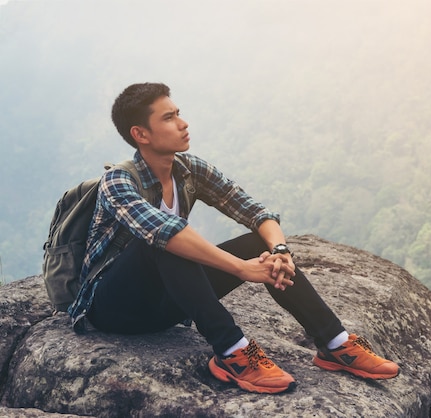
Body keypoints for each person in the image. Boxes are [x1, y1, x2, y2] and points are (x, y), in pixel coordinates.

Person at [68, 82, 399, 394]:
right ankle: (232, 351)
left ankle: (335, 343)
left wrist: (279, 250)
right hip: (113, 309)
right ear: (140, 134)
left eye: (178, 113)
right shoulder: (118, 181)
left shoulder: (189, 168)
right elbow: (166, 233)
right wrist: (242, 269)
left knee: (262, 242)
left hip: (167, 308)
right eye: (169, 118)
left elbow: (256, 213)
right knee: (164, 242)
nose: (183, 123)